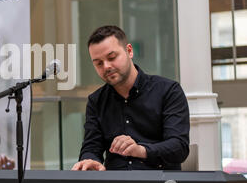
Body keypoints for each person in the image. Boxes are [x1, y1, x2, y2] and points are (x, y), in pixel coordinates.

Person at [72, 26, 190, 171]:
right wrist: (90, 161)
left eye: (111, 57)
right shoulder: (96, 101)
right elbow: (91, 146)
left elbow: (179, 147)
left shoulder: (168, 91)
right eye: (99, 63)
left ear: (129, 51)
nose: (106, 66)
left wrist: (140, 150)